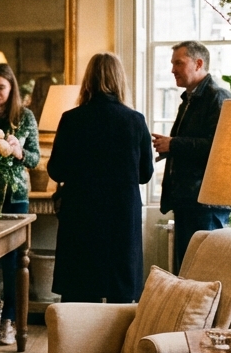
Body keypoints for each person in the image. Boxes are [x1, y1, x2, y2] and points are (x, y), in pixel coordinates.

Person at [48, 53, 154, 302]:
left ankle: (78, 342)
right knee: (120, 294)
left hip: (81, 216)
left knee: (80, 293)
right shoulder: (135, 121)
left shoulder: (71, 119)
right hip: (121, 216)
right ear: (120, 80)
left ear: (88, 80)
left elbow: (56, 170)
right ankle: (118, 342)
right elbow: (145, 174)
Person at [153, 40, 231, 272]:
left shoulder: (218, 97)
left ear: (198, 63)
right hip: (188, 201)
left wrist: (174, 145)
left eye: (178, 62)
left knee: (203, 272)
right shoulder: (188, 100)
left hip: (205, 203)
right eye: (172, 63)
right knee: (186, 272)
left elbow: (219, 147)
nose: (172, 70)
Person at [0, 63, 40, 345]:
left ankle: (9, 321)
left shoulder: (24, 117)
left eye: (1, 87)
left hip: (14, 196)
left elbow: (35, 159)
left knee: (13, 263)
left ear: (12, 87)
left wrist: (18, 151)